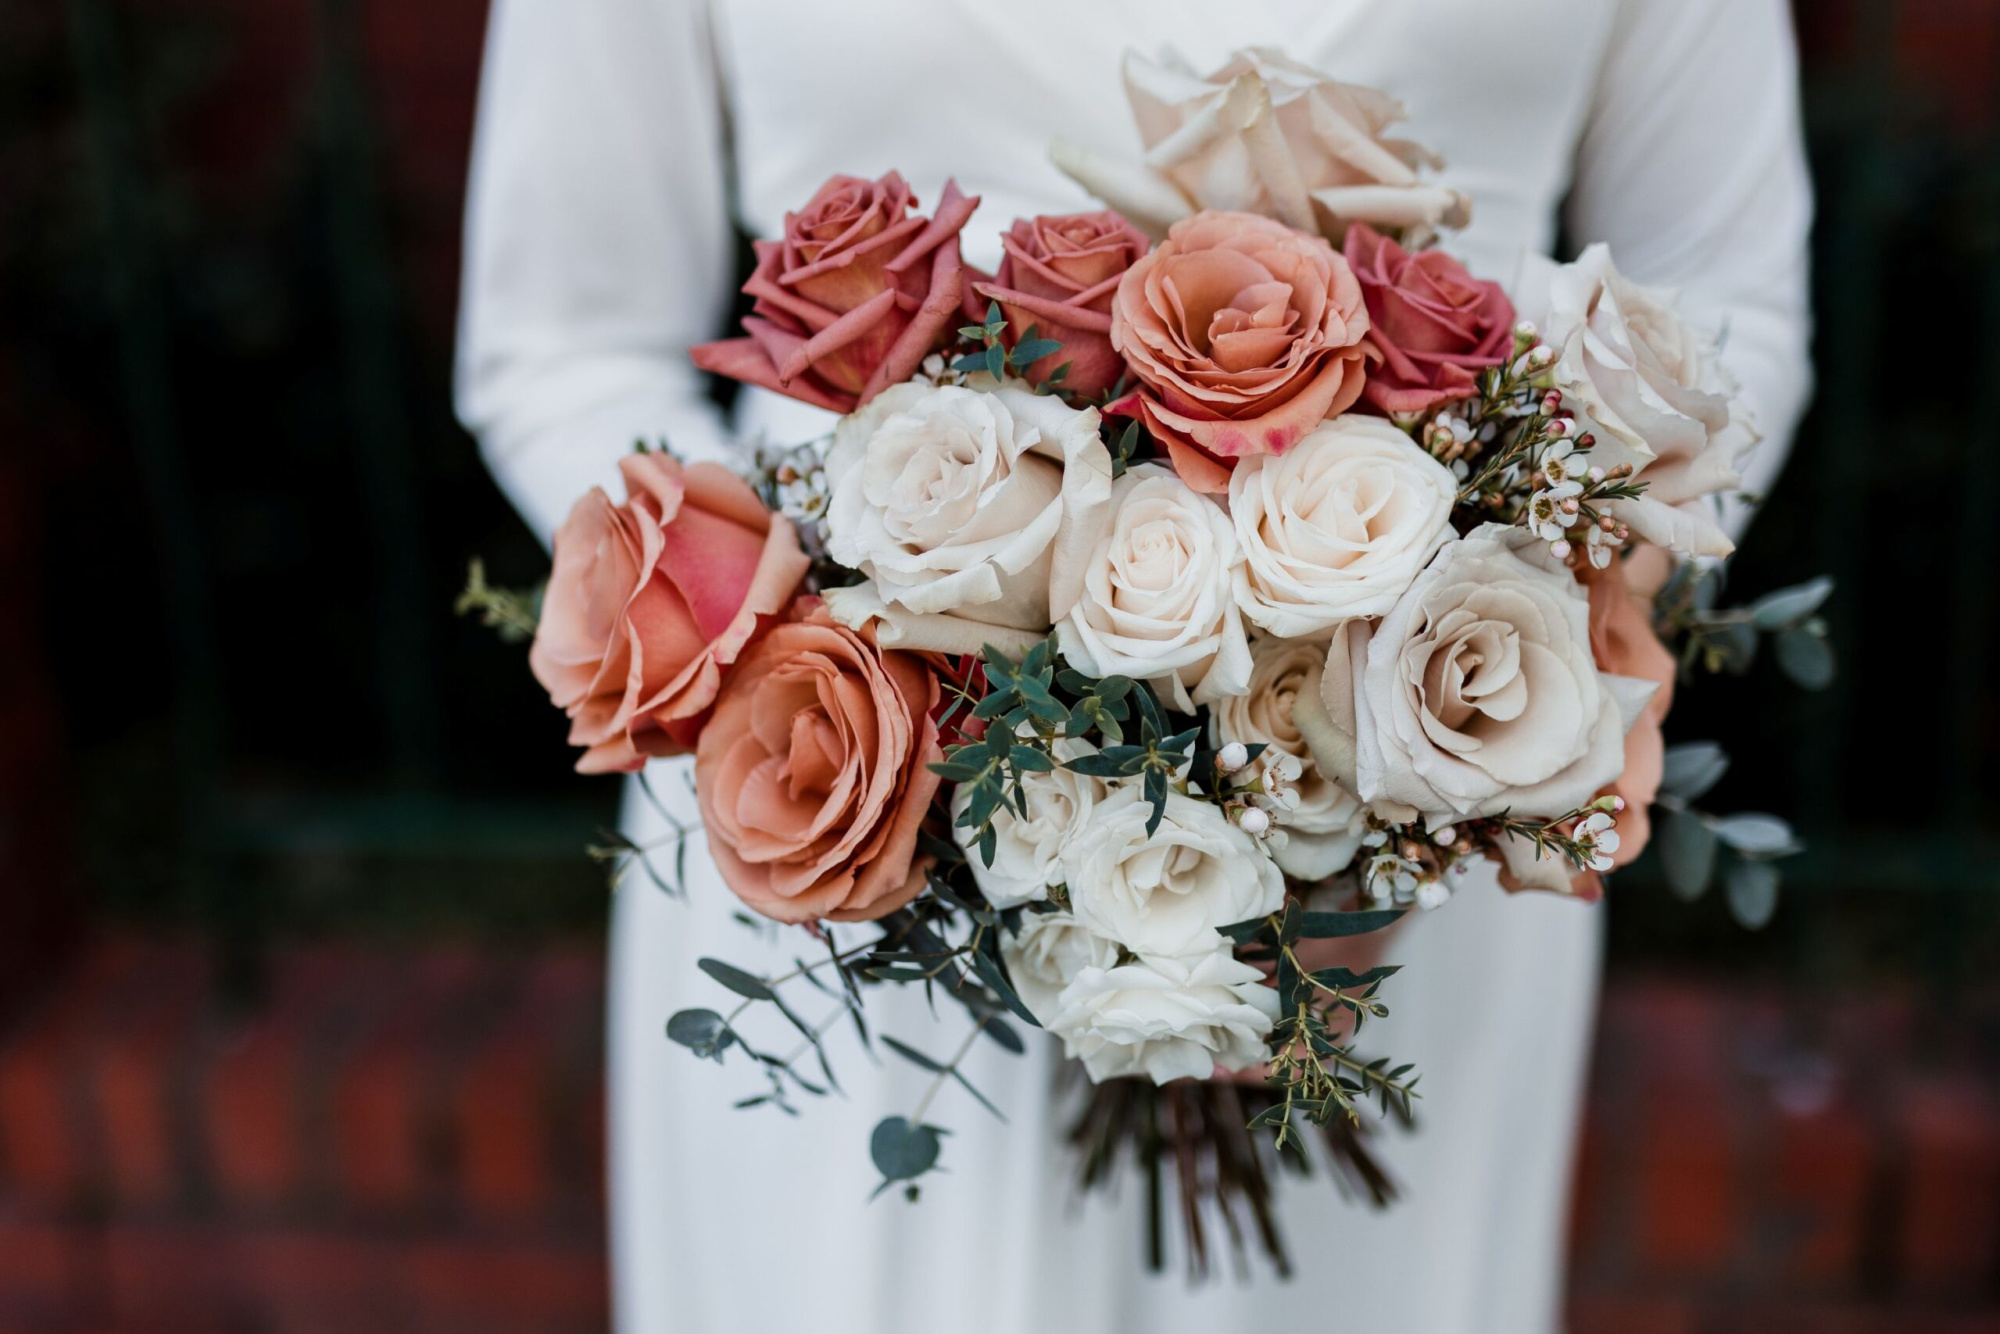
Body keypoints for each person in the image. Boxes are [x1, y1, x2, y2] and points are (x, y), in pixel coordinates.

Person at [455, 2, 1811, 1330]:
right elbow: (563, 338)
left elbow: (1731, 293)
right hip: (842, 826)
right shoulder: (843, 750)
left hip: (1429, 861)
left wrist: (1449, 731)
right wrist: (841, 679)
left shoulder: (1437, 785)